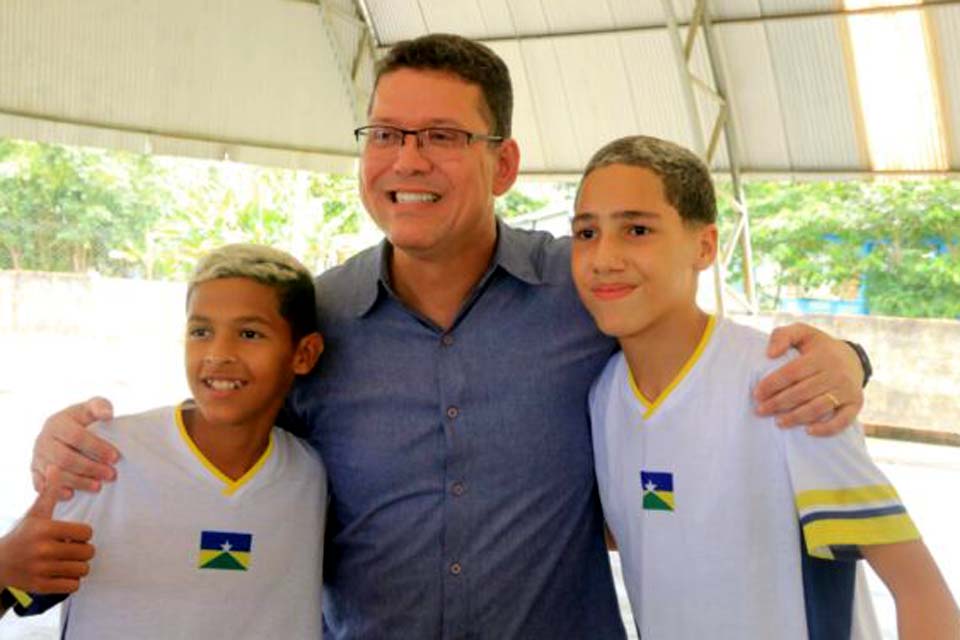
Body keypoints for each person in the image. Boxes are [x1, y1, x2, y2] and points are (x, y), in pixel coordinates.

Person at [24, 35, 871, 638]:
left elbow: (706, 354)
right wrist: (79, 445)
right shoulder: (317, 319)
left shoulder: (583, 293)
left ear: (503, 164)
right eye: (387, 134)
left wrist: (844, 361)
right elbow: (221, 434)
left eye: (441, 138)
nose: (408, 160)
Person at [574, 135, 960, 639]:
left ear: (705, 245)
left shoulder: (785, 384)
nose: (604, 257)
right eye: (586, 233)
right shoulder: (603, 397)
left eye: (638, 229)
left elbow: (920, 593)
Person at [1, 244, 327, 638]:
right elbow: (18, 588)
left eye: (249, 333)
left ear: (304, 353)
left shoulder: (312, 475)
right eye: (201, 331)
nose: (218, 354)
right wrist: (5, 563)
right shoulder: (103, 460)